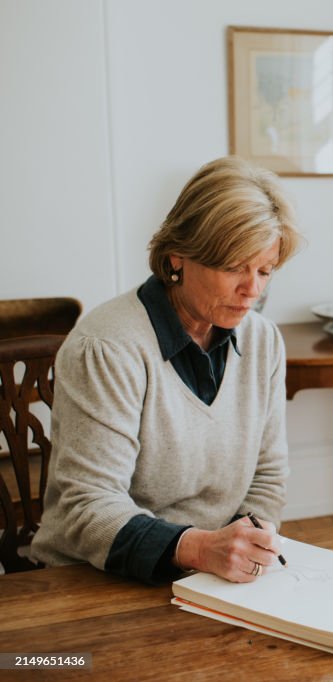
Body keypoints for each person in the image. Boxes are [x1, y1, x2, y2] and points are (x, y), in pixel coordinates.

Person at [30, 156, 301, 584]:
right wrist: (199, 549)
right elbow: (87, 505)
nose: (253, 290)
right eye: (234, 267)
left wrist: (249, 545)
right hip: (92, 579)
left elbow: (268, 477)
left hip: (207, 580)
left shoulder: (263, 341)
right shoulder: (107, 347)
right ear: (178, 258)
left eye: (265, 270)